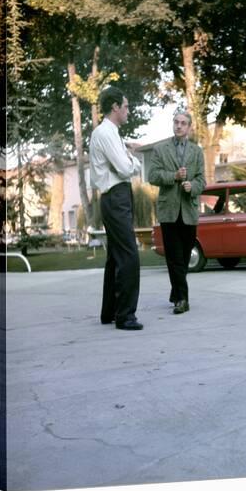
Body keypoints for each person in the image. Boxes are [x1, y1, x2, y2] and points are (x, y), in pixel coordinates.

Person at [89, 86, 143, 330]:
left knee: (115, 257)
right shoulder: (106, 133)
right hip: (115, 196)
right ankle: (125, 316)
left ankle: (109, 312)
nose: (128, 111)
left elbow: (126, 165)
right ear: (115, 107)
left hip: (117, 196)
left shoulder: (112, 133)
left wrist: (129, 160)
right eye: (126, 106)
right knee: (129, 256)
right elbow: (125, 167)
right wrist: (132, 159)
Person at [148, 111, 206, 314]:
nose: (179, 126)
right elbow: (152, 176)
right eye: (176, 122)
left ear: (189, 127)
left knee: (183, 254)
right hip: (168, 210)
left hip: (189, 209)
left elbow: (202, 180)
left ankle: (175, 292)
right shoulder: (160, 149)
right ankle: (182, 299)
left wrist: (193, 187)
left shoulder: (197, 152)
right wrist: (173, 176)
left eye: (183, 123)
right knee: (173, 256)